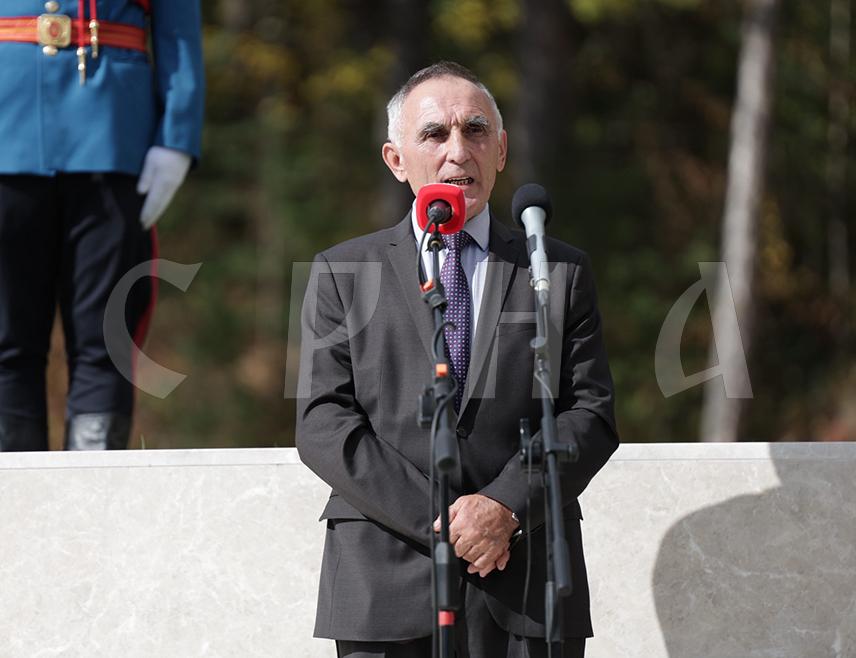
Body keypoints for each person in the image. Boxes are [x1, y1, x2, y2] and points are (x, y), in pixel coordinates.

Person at [296, 61, 618, 658]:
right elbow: (323, 423)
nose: (456, 150)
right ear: (395, 160)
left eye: (475, 131)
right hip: (385, 587)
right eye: (434, 134)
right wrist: (447, 523)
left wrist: (504, 506)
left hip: (527, 582)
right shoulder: (344, 271)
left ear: (500, 150)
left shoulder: (557, 271)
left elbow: (590, 413)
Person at [0, 0, 204, 451]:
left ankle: (91, 511)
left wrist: (177, 133)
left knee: (105, 341)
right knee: (5, 343)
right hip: (5, 129)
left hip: (112, 135)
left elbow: (179, 28)